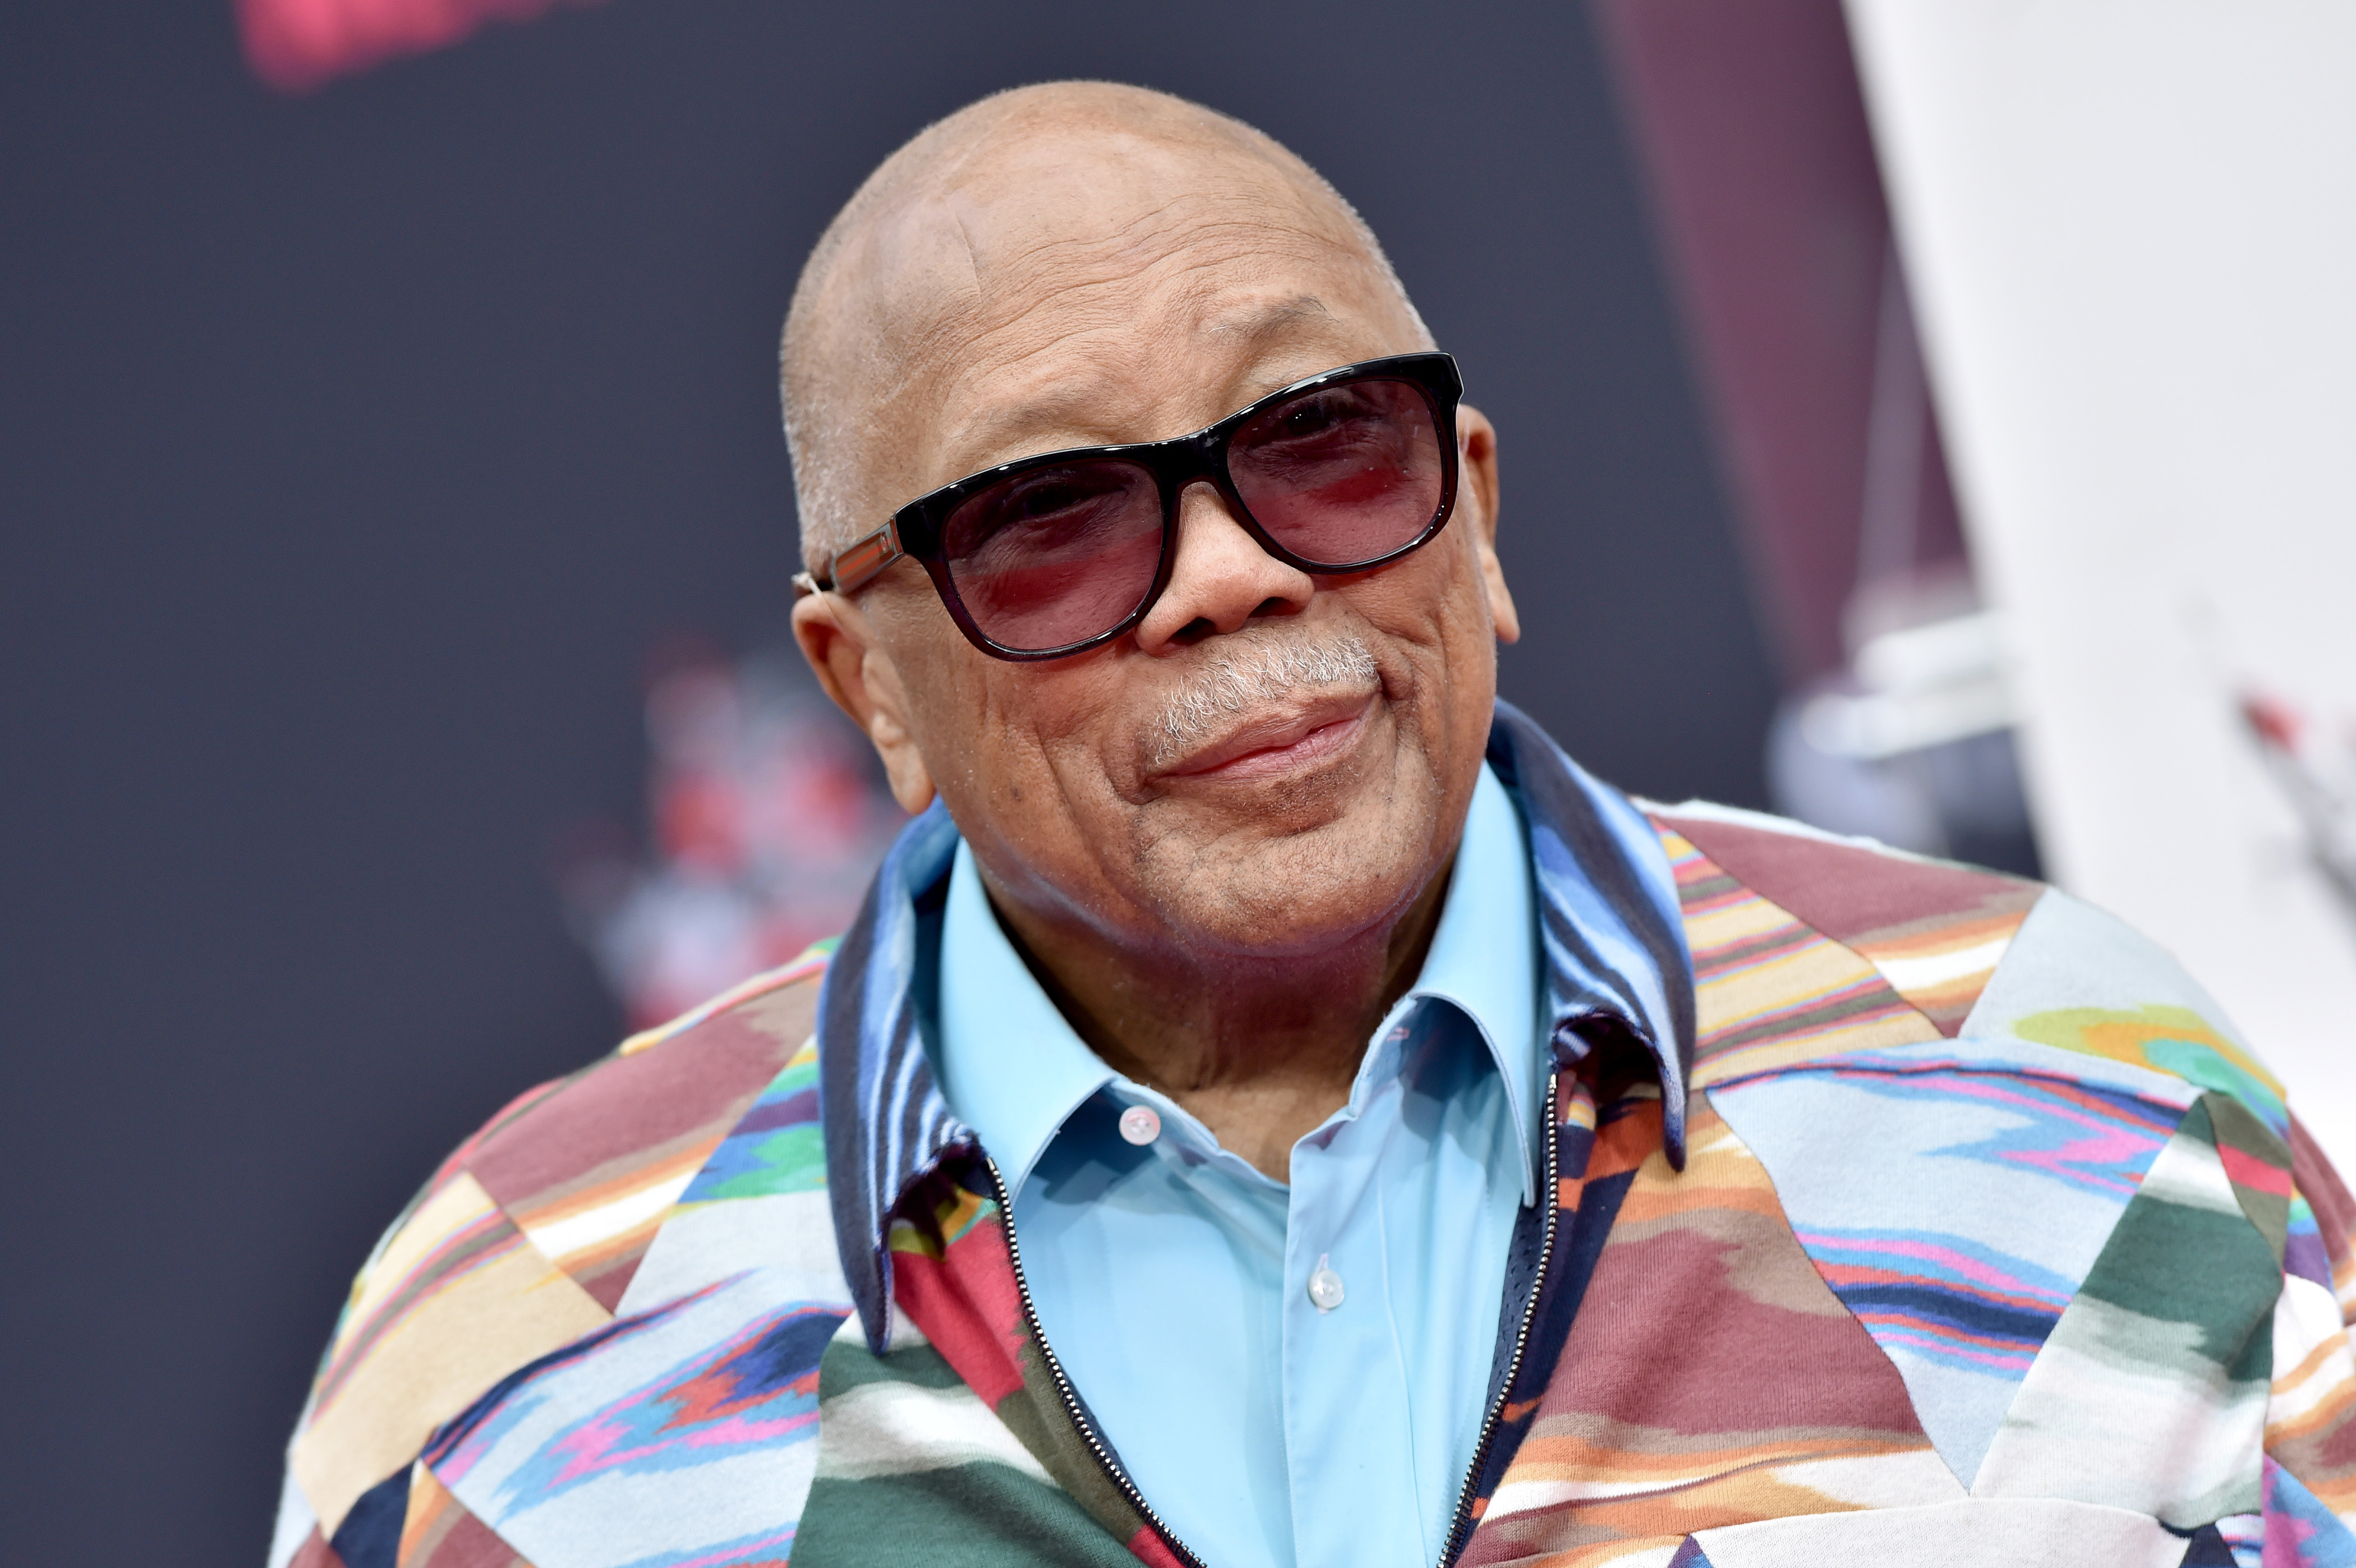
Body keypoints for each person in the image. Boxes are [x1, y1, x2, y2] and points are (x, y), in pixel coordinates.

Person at [267, 82, 2356, 1568]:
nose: (1229, 577)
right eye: (1050, 520)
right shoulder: (528, 1359)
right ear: (868, 682)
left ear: (1479, 509)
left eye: (1326, 447)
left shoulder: (2061, 1091)